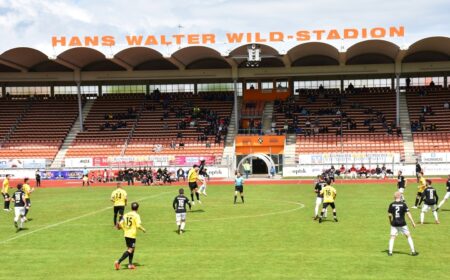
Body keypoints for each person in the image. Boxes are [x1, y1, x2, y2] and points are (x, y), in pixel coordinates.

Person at [114, 202, 146, 270]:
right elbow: (138, 225)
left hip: (126, 234)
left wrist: (122, 228)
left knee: (131, 249)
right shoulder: (136, 215)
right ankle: (118, 262)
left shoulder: (126, 214)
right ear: (137, 208)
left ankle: (130, 264)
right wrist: (143, 229)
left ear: (131, 207)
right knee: (130, 249)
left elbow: (120, 223)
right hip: (132, 235)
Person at [387, 191, 418, 256]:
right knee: (408, 236)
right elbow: (408, 213)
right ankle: (413, 251)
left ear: (394, 197)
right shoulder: (403, 204)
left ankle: (390, 252)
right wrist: (412, 222)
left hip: (394, 223)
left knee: (392, 237)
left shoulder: (391, 204)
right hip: (402, 223)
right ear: (400, 196)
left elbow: (389, 215)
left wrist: (390, 221)